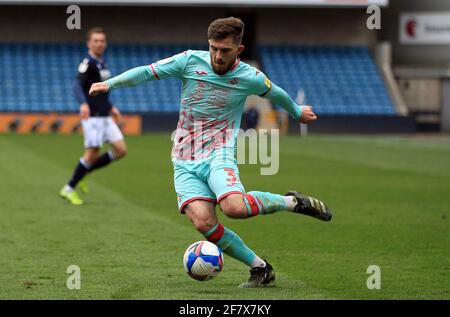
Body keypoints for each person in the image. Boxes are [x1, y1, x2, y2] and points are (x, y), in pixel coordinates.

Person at [89, 17, 332, 288]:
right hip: (183, 159)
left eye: (224, 50)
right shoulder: (190, 61)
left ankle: (291, 202)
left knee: (234, 208)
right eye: (213, 48)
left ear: (238, 50)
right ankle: (260, 268)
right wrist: (109, 85)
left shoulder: (249, 77)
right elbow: (147, 72)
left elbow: (277, 93)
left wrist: (297, 112)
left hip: (219, 153)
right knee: (203, 222)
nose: (217, 55)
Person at [60, 27, 127, 205]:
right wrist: (83, 103)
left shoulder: (102, 63)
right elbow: (77, 84)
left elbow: (101, 91)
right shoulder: (87, 62)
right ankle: (69, 188)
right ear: (89, 43)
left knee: (120, 150)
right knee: (92, 153)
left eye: (102, 41)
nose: (99, 43)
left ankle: (84, 172)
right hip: (93, 117)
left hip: (105, 115)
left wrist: (111, 107)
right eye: (95, 40)